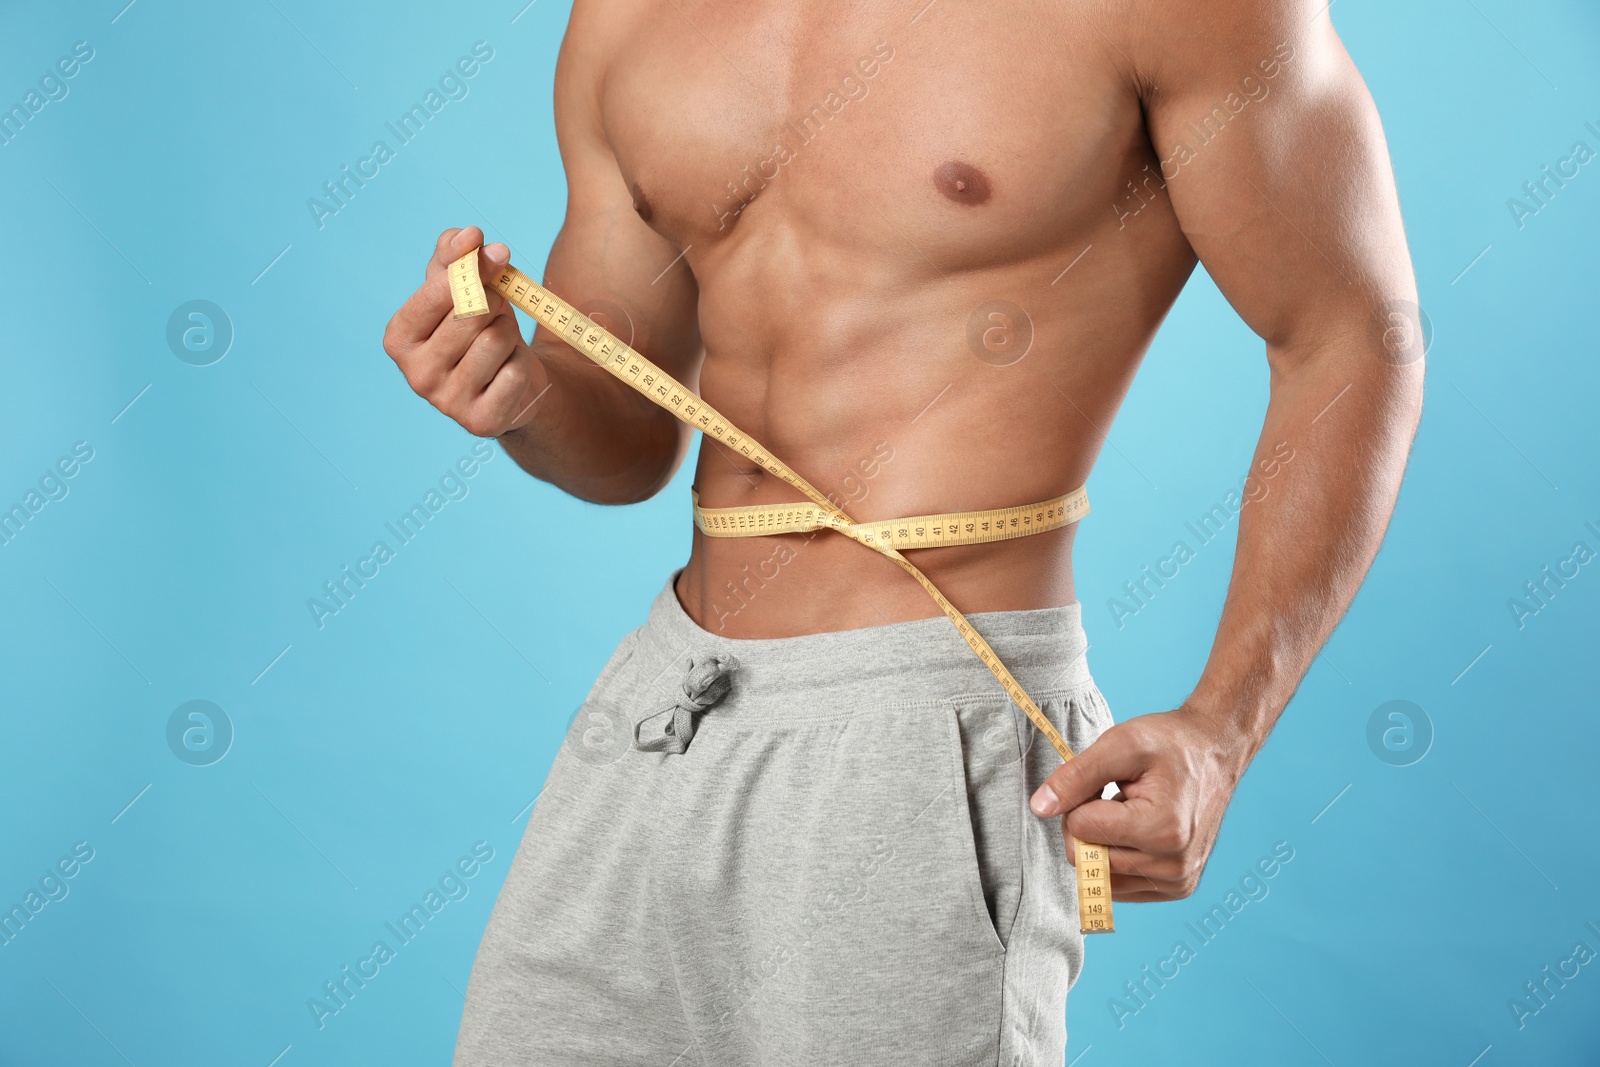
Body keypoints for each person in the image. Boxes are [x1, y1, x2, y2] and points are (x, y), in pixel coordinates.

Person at [381, 0, 1424, 1062]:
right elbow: (626, 441)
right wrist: (520, 396)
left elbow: (1353, 337)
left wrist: (1222, 728)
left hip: (929, 716)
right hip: (666, 707)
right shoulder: (626, 17)